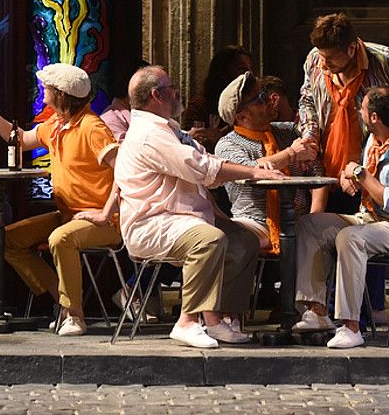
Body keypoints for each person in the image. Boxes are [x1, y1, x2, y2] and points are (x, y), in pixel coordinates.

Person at [115, 66, 283, 348]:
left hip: (184, 218)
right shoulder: (149, 134)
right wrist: (254, 172)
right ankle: (188, 321)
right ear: (157, 95)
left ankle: (222, 319)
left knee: (243, 240)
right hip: (155, 222)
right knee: (208, 241)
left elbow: (205, 164)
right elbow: (200, 166)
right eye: (171, 88)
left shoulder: (168, 129)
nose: (177, 92)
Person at [297, 12, 389, 320]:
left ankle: (360, 317)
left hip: (369, 161)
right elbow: (306, 98)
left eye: (330, 58)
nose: (324, 64)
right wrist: (308, 132)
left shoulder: (386, 61)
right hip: (330, 159)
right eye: (321, 57)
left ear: (350, 49)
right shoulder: (314, 60)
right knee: (314, 227)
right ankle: (316, 313)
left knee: (359, 237)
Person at [0, 63, 122, 337]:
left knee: (60, 239)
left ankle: (75, 314)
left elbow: (124, 169)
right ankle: (62, 300)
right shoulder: (55, 125)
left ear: (61, 94)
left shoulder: (92, 127)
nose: (43, 92)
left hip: (104, 220)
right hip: (68, 215)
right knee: (6, 240)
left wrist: (104, 213)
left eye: (47, 88)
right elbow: (17, 139)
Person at [292, 87, 389, 350]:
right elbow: (364, 176)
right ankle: (317, 311)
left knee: (350, 238)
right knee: (310, 225)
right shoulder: (374, 140)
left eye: (363, 109)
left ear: (375, 117)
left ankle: (351, 326)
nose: (360, 112)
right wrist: (351, 177)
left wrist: (361, 176)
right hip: (368, 218)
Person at [214, 72, 320, 251]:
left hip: (300, 219)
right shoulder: (227, 144)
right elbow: (249, 169)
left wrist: (315, 214)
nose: (270, 99)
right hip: (254, 220)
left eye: (265, 92)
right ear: (242, 117)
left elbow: (317, 172)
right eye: (261, 98)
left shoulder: (288, 132)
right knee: (232, 241)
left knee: (323, 233)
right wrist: (291, 153)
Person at [182, 44, 253, 147]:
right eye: (241, 69)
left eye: (250, 69)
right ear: (222, 73)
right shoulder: (201, 105)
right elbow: (190, 142)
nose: (248, 74)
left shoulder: (255, 102)